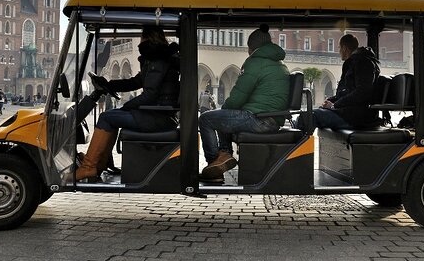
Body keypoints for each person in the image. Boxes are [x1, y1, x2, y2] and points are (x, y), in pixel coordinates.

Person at [72, 25, 181, 181]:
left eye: (142, 36)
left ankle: (88, 167)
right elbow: (135, 82)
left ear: (148, 38)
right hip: (157, 114)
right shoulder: (156, 59)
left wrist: (125, 107)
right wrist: (110, 85)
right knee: (110, 117)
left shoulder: (158, 61)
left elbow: (149, 95)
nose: (140, 41)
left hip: (157, 117)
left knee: (106, 117)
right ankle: (98, 165)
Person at [199, 24, 290, 182]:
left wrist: (224, 111)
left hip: (259, 119)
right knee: (223, 117)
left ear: (251, 47)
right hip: (272, 119)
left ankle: (214, 166)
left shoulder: (255, 63)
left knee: (206, 118)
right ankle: (225, 154)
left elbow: (237, 98)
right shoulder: (279, 64)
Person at [313, 34, 380, 130]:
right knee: (315, 112)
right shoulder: (356, 62)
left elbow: (362, 92)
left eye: (339, 48)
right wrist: (331, 101)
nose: (339, 51)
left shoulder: (363, 63)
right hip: (351, 113)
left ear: (344, 48)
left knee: (310, 116)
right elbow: (347, 92)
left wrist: (334, 105)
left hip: (356, 117)